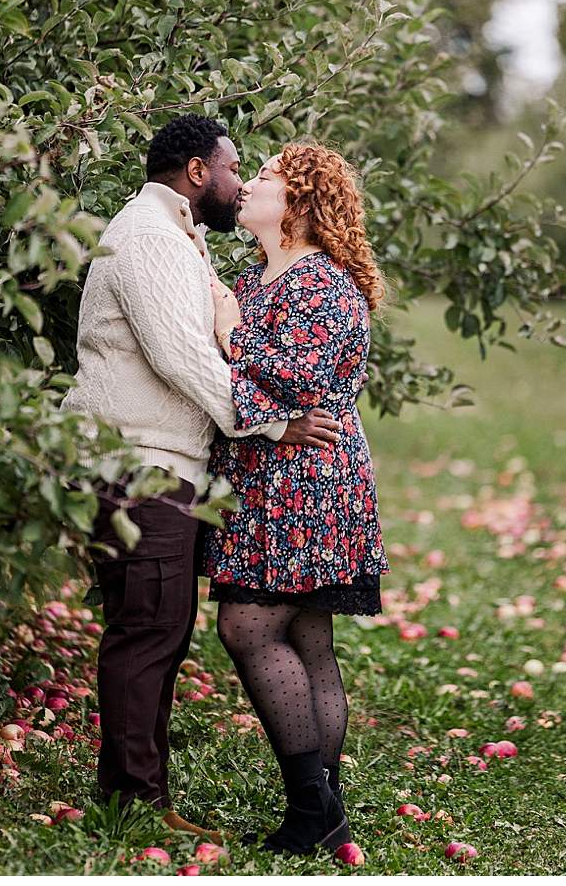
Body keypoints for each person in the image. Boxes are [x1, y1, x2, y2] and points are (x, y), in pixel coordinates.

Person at [61, 115, 345, 837]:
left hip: (166, 466)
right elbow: (183, 358)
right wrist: (275, 422)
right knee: (148, 633)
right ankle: (133, 804)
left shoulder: (177, 233)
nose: (239, 181)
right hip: (138, 465)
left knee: (159, 631)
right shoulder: (151, 238)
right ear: (195, 172)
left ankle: (145, 798)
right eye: (231, 167)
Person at [200, 143, 386, 855]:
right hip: (268, 476)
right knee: (307, 637)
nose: (249, 183)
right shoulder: (253, 281)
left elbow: (303, 385)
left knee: (249, 630)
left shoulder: (321, 284)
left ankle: (314, 804)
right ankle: (322, 807)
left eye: (269, 177)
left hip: (305, 480)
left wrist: (231, 336)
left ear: (302, 203)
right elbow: (240, 384)